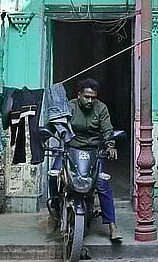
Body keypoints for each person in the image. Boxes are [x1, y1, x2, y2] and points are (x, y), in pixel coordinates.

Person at [66, 78, 121, 243]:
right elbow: (60, 124)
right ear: (79, 95)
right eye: (86, 97)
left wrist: (110, 145)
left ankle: (112, 226)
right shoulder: (70, 106)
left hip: (93, 152)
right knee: (54, 177)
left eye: (93, 97)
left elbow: (107, 128)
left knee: (103, 185)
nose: (90, 100)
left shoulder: (101, 108)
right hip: (72, 149)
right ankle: (54, 214)